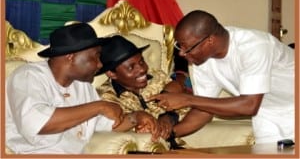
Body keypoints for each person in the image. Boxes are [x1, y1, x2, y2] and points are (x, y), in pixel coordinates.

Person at [5, 23, 159, 154]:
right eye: (95, 56)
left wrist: (136, 117)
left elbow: (105, 124)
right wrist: (99, 106)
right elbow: (38, 123)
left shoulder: (82, 85)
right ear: (71, 57)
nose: (100, 64)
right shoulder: (28, 76)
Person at [149, 10, 295, 144]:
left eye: (187, 47)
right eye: (179, 47)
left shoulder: (254, 46)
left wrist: (187, 99)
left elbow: (249, 105)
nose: (182, 53)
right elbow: (203, 111)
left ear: (210, 40)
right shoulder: (202, 61)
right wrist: (167, 133)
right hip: (267, 114)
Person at [96, 35, 193, 149]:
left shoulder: (158, 77)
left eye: (141, 62)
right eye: (131, 67)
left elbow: (189, 105)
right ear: (112, 73)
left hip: (180, 149)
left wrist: (168, 117)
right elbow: (113, 129)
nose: (142, 69)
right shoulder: (107, 98)